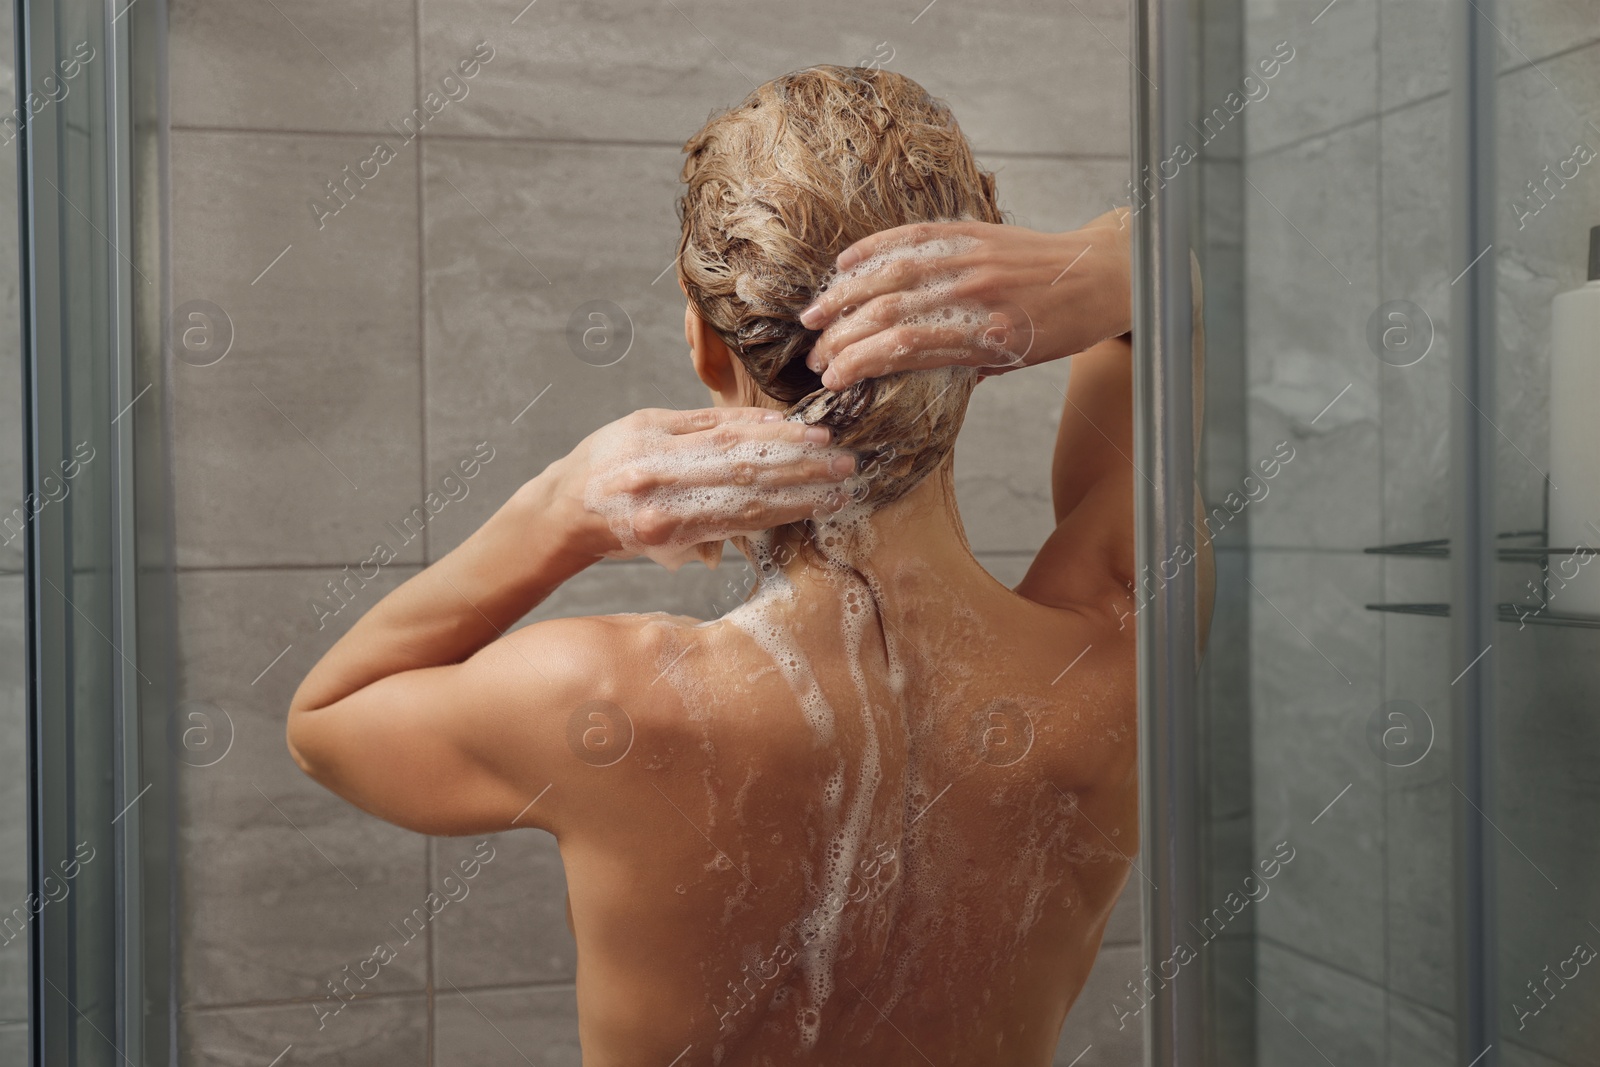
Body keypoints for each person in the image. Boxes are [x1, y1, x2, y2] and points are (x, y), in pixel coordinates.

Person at [286, 65, 1213, 1065]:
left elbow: (326, 720)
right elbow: (1165, 286)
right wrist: (1094, 265)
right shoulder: (1120, 657)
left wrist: (558, 511)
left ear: (701, 339)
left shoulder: (603, 698)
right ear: (986, 336)